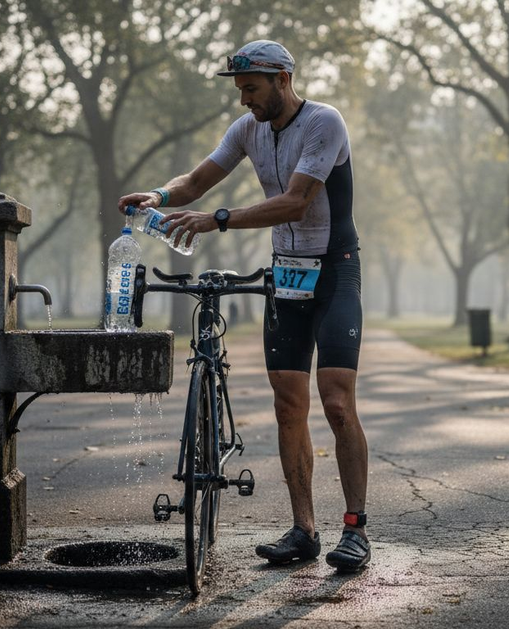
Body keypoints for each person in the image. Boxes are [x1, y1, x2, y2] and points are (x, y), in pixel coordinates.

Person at [118, 40, 370, 571]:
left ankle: (355, 529)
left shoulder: (325, 123)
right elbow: (195, 181)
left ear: (281, 79)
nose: (243, 101)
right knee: (287, 406)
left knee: (337, 403)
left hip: (335, 271)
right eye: (239, 91)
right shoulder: (248, 130)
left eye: (250, 89)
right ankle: (304, 530)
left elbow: (298, 201)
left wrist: (219, 219)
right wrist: (157, 198)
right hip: (286, 273)